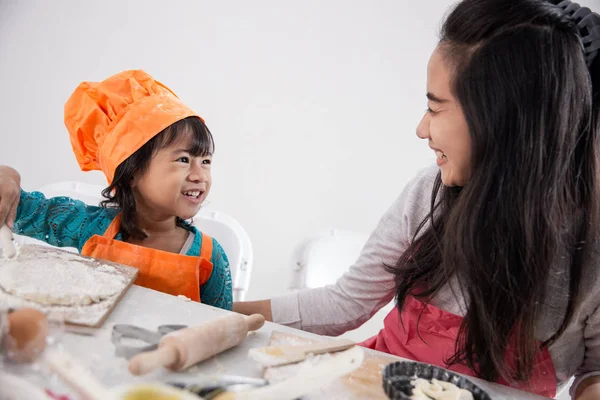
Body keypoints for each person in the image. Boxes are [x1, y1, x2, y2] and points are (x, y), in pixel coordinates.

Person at [234, 0, 600, 397]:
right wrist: (212, 310)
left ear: (499, 120)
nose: (421, 129)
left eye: (434, 107)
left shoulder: (590, 246)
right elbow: (343, 304)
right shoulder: (429, 193)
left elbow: (593, 374)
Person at [0, 70, 232, 310]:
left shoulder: (210, 256)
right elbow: (20, 208)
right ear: (132, 172)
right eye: (183, 160)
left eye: (205, 162)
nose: (199, 175)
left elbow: (224, 325)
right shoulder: (91, 227)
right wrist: (8, 174)